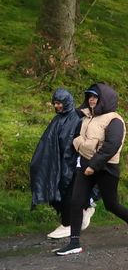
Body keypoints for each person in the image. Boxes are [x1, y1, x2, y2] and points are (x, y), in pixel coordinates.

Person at [55, 83, 128, 256]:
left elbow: (111, 146)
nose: (91, 99)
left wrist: (93, 165)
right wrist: (81, 148)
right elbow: (77, 137)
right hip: (85, 164)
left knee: (111, 204)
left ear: (104, 99)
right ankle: (74, 242)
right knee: (76, 202)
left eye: (95, 97)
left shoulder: (114, 120)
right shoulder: (86, 117)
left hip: (106, 168)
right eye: (89, 96)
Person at [30, 88, 96, 240]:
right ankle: (81, 213)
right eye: (55, 103)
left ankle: (68, 224)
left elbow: (71, 144)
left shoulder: (75, 119)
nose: (56, 106)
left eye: (59, 103)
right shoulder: (58, 119)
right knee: (54, 191)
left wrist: (67, 167)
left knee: (66, 194)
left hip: (71, 164)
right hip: (58, 162)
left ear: (66, 102)